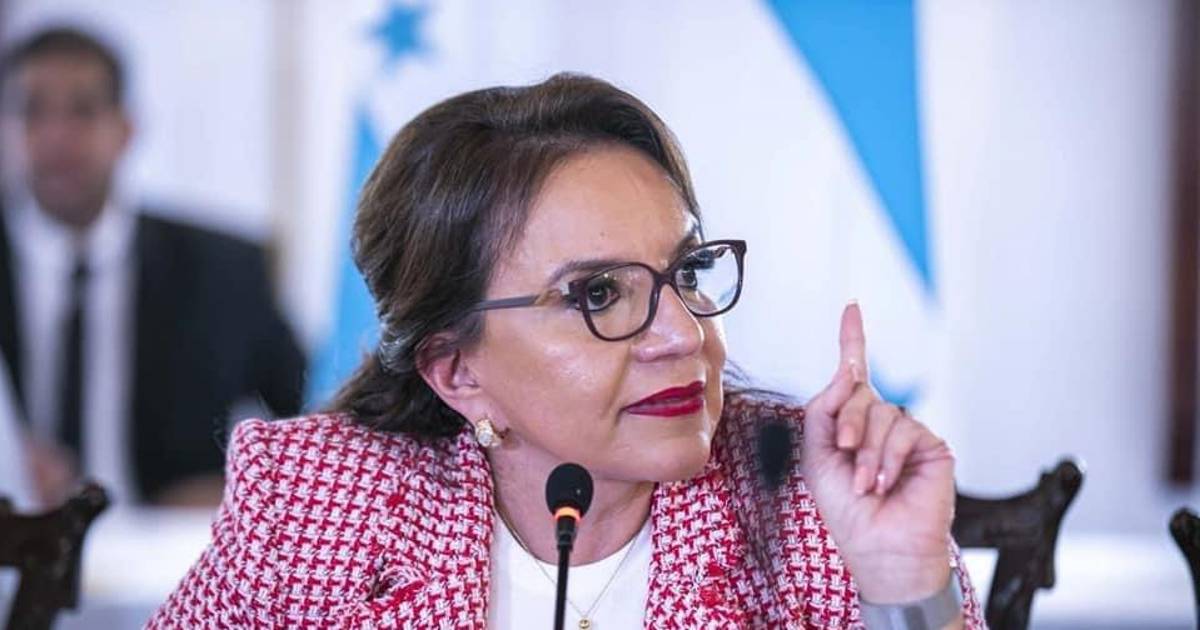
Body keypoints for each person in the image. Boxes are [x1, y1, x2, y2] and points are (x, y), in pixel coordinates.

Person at [150, 74, 984, 628]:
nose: (683, 335)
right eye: (597, 294)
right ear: (457, 371)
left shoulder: (811, 501)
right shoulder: (315, 504)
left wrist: (904, 588)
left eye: (687, 273)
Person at [0, 27, 306, 507]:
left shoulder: (223, 271)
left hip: (170, 543)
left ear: (125, 130)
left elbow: (314, 415)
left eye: (83, 110)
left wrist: (243, 486)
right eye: (32, 111)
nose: (57, 136)